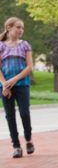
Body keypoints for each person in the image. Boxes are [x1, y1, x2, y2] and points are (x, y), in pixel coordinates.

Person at [0, 17, 34, 158]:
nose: (21, 30)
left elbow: (29, 67)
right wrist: (4, 84)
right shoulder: (1, 46)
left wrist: (13, 80)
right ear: (9, 28)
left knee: (24, 113)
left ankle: (28, 139)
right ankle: (16, 146)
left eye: (22, 28)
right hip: (5, 87)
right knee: (10, 115)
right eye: (18, 27)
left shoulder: (25, 45)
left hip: (22, 85)